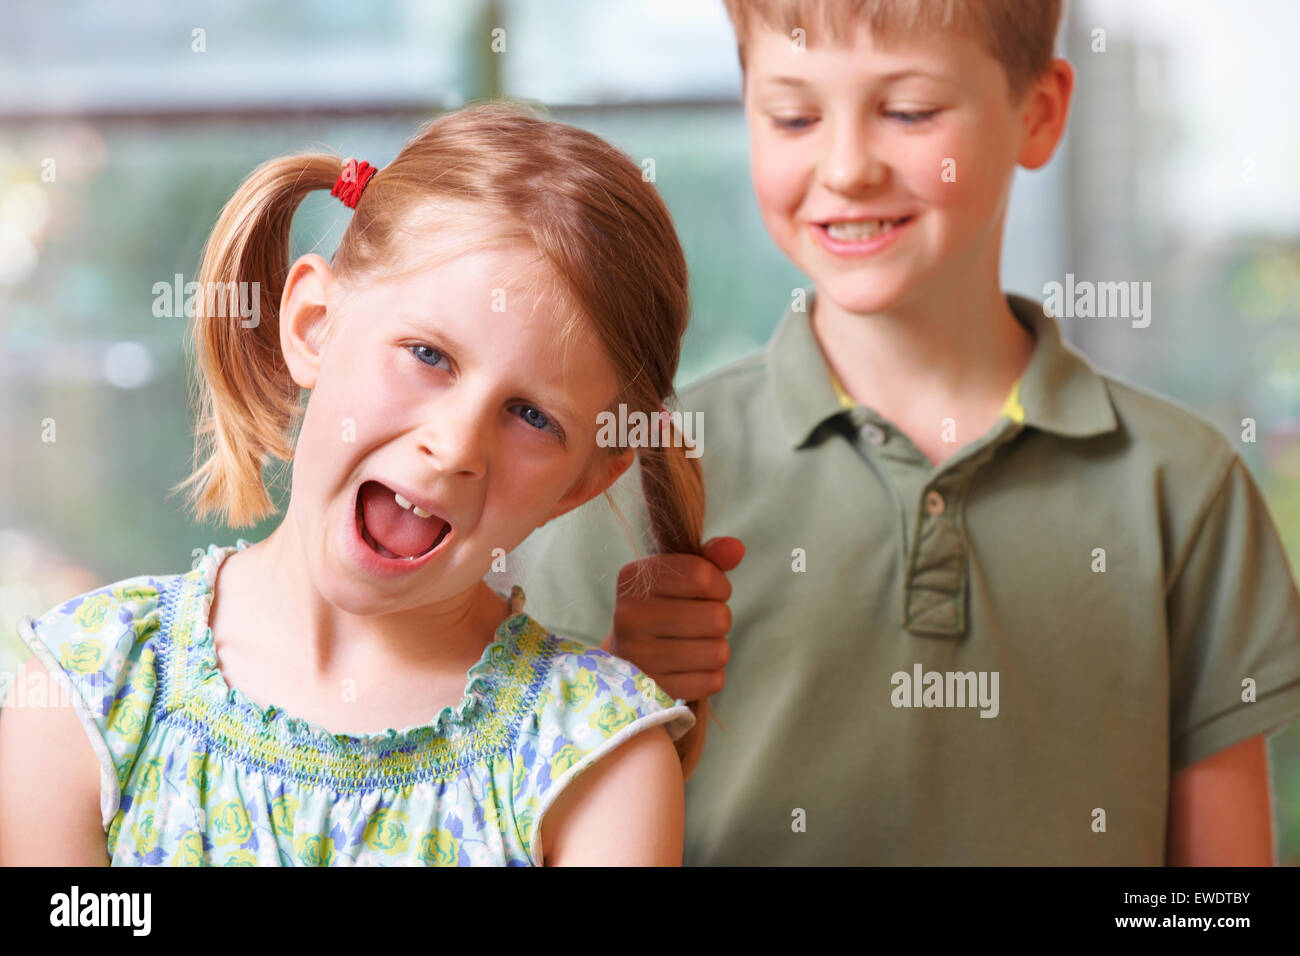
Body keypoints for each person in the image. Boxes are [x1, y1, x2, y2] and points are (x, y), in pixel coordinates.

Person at [518, 0, 1300, 864]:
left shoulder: (1184, 488)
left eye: (909, 112)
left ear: (1037, 113)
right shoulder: (637, 469)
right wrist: (620, 686)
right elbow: (525, 813)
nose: (847, 167)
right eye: (794, 116)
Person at [0, 101, 706, 866]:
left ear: (576, 485)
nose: (453, 445)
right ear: (312, 325)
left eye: (531, 415)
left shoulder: (599, 760)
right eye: (428, 355)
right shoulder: (90, 691)